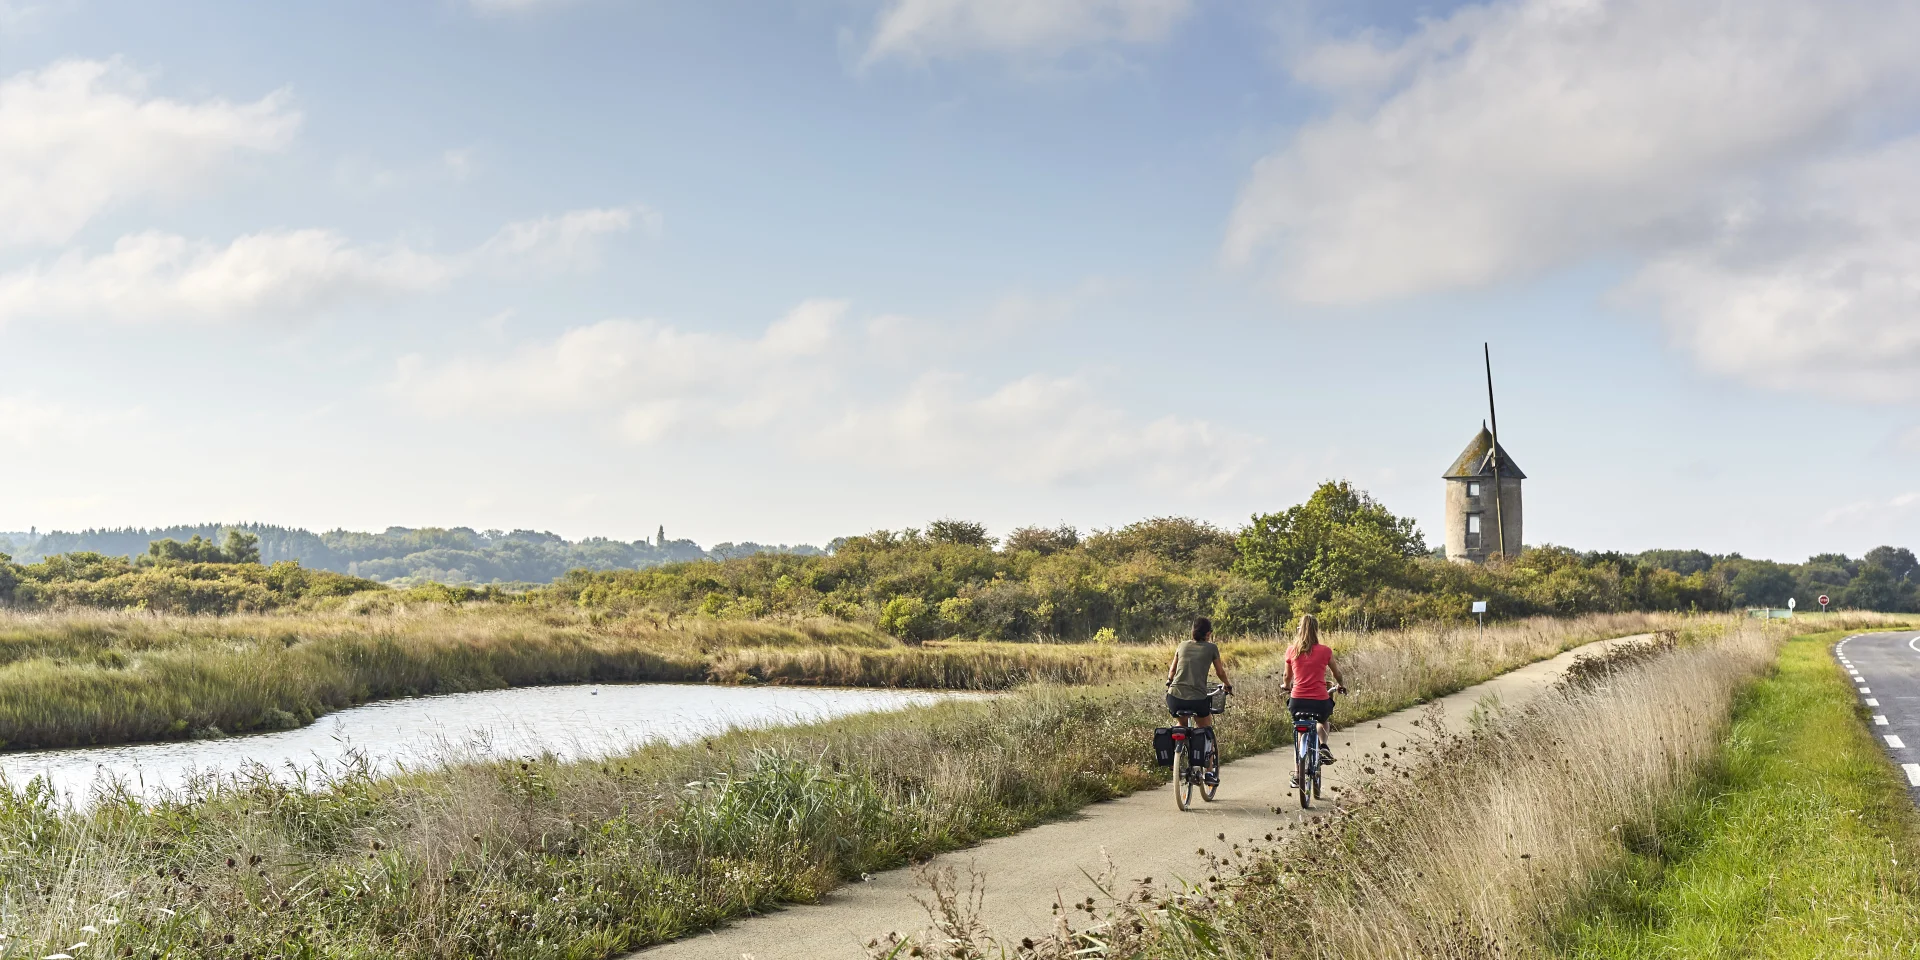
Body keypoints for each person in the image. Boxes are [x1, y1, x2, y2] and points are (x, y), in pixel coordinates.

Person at [1165, 617, 1233, 781]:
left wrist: (1169, 681)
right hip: (1197, 698)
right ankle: (1209, 772)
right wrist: (1227, 685)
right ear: (1208, 633)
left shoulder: (1182, 645)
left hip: (1174, 696)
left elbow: (1172, 670)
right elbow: (1220, 672)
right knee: (1206, 729)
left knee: (1181, 724)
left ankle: (1177, 753)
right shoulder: (1211, 648)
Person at [1283, 613, 1346, 783]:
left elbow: (1286, 677)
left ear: (1299, 629)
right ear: (1316, 630)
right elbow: (1337, 673)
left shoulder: (1291, 650)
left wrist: (1287, 687)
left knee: (1299, 731)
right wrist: (1340, 684)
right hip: (1319, 700)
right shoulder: (1325, 651)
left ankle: (1297, 774)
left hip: (1297, 700)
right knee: (1323, 720)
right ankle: (1323, 745)